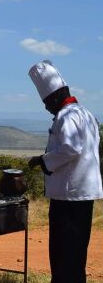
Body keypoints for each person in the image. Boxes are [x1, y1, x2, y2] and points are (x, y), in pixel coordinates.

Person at [27, 60, 103, 283]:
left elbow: (71, 148)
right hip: (81, 195)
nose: (46, 107)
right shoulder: (86, 114)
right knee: (75, 255)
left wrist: (42, 161)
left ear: (55, 97)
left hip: (68, 198)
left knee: (63, 256)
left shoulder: (67, 116)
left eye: (46, 102)